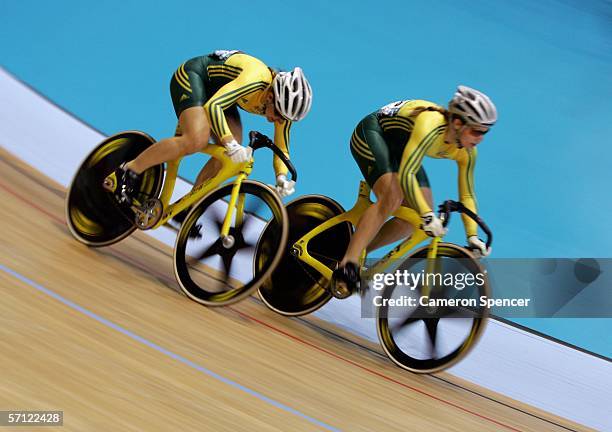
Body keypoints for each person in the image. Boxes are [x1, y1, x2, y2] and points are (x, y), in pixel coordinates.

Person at [331, 85, 497, 295]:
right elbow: (408, 173)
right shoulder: (430, 124)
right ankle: (348, 264)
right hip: (373, 133)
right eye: (476, 130)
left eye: (485, 132)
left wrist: (472, 236)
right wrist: (429, 216)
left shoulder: (468, 153)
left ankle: (356, 249)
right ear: (457, 123)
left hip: (402, 148)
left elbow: (467, 195)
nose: (480, 138)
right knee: (392, 197)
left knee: (414, 220)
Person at [109, 49, 312, 211]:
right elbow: (213, 106)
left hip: (222, 95)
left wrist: (281, 177)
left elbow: (282, 149)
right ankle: (128, 170)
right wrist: (231, 144)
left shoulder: (283, 109)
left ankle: (189, 206)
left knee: (227, 158)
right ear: (271, 96)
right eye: (278, 113)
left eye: (283, 118)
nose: (277, 120)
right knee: (196, 140)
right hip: (194, 77)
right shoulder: (256, 79)